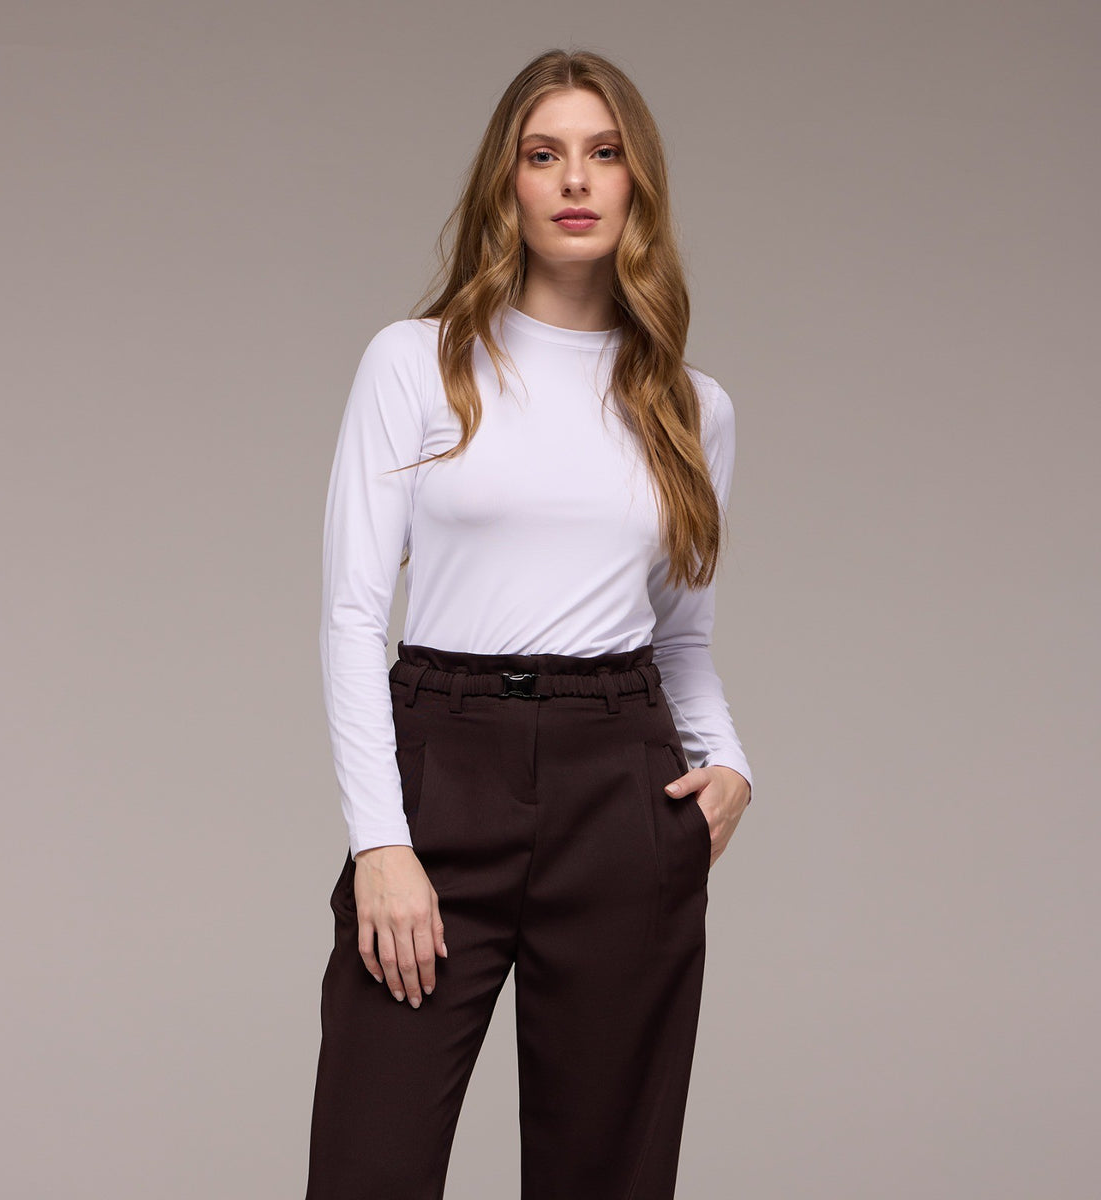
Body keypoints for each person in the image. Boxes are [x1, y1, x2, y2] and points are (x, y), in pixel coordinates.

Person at [307, 46, 754, 1200]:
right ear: (506, 183)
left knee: (606, 1178)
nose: (576, 180)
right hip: (440, 770)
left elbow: (681, 639)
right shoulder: (417, 362)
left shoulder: (689, 406)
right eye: (543, 155)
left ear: (638, 181)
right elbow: (353, 615)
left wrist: (731, 762)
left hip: (622, 790)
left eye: (604, 153)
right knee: (368, 1170)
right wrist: (382, 844)